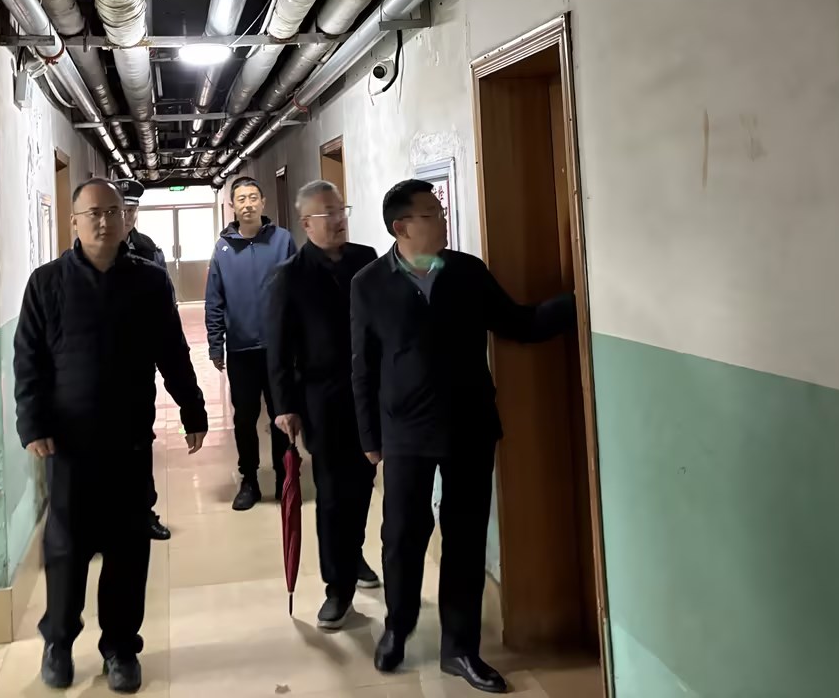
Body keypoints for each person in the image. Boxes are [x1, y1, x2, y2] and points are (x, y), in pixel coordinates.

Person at [351, 179, 577, 694]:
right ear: (401, 227)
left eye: (441, 211)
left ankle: (460, 649)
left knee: (466, 537)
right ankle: (398, 627)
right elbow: (362, 366)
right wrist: (369, 435)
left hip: (468, 425)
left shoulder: (467, 272)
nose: (443, 219)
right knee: (402, 535)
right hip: (404, 430)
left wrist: (580, 299)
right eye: (432, 214)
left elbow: (519, 323)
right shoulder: (369, 283)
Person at [15, 179, 208, 693]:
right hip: (69, 446)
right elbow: (29, 360)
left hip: (128, 441)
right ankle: (58, 642)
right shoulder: (47, 283)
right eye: (93, 213)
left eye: (112, 212)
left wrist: (192, 407)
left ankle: (121, 648)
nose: (103, 222)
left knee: (128, 548)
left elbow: (171, 350)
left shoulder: (148, 282)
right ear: (74, 222)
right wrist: (32, 423)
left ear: (126, 219)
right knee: (66, 549)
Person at [266, 180, 381, 631]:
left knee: (363, 482)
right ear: (306, 223)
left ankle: (352, 553)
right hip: (323, 399)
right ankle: (337, 589)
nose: (337, 220)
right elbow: (278, 348)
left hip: (370, 394)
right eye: (326, 214)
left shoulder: (366, 259)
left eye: (340, 210)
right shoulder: (290, 275)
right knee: (332, 493)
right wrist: (284, 405)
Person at [205, 175, 297, 510]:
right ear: (233, 206)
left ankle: (286, 476)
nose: (247, 204)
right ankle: (250, 480)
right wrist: (216, 344)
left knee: (282, 414)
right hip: (241, 350)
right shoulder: (223, 249)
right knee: (244, 419)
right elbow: (214, 300)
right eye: (241, 199)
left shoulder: (283, 240)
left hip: (278, 349)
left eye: (253, 197)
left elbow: (297, 291)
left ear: (263, 202)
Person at [115, 177, 172, 542]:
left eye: (132, 210)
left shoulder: (150, 251)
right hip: (96, 371)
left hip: (137, 370)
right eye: (121, 209)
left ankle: (144, 513)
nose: (126, 216)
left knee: (140, 444)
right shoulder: (80, 257)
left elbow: (166, 316)